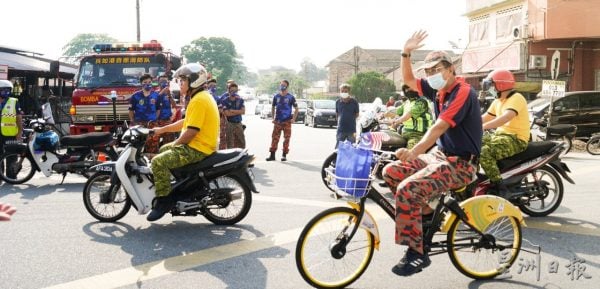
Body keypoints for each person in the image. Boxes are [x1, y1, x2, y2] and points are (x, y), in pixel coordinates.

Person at [382, 31, 482, 276]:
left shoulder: (463, 92)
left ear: (449, 69)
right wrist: (406, 52)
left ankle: (417, 254)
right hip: (441, 157)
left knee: (407, 190)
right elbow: (407, 80)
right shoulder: (439, 91)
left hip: (461, 164)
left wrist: (414, 151)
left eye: (435, 69)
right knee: (391, 172)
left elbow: (438, 127)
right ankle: (426, 216)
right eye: (427, 71)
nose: (431, 75)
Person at [148, 63, 219, 221]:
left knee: (158, 162)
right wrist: (161, 130)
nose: (180, 84)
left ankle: (164, 201)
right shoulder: (200, 97)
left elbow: (191, 131)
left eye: (182, 81)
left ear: (193, 81)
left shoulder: (199, 100)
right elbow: (186, 122)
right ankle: (178, 186)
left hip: (198, 148)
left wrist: (176, 144)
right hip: (200, 144)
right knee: (163, 149)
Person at [480, 69, 530, 195]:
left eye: (491, 85)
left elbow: (505, 118)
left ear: (500, 85)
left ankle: (500, 186)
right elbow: (486, 117)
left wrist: (482, 127)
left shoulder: (516, 98)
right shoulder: (498, 100)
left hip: (516, 139)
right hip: (500, 136)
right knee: (473, 144)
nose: (490, 88)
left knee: (483, 152)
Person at [128, 73, 162, 156]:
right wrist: (133, 122)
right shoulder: (135, 96)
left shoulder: (156, 95)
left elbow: (158, 110)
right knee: (139, 145)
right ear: (141, 83)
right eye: (145, 82)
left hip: (152, 124)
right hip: (139, 124)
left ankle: (152, 162)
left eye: (149, 82)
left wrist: (154, 120)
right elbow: (131, 111)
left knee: (153, 144)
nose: (148, 84)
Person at [391, 85, 433, 149]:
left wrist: (398, 121)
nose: (409, 90)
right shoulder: (407, 103)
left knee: (410, 155)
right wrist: (383, 114)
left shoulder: (421, 102)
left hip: (418, 135)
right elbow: (396, 111)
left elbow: (409, 114)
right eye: (406, 89)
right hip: (404, 133)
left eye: (411, 88)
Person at [266, 80, 298, 161]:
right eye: (281, 85)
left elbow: (297, 108)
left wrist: (293, 119)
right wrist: (272, 118)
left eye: (284, 85)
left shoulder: (291, 97)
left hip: (287, 121)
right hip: (278, 121)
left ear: (287, 86)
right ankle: (272, 155)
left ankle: (284, 155)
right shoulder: (276, 96)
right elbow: (273, 107)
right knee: (274, 138)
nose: (282, 86)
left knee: (286, 138)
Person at [0, 80, 24, 181]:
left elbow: (19, 118)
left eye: (8, 90)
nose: (6, 92)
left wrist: (19, 132)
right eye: (3, 90)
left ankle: (11, 176)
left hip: (11, 133)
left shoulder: (14, 101)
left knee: (12, 155)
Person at [221, 83, 246, 149]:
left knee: (242, 141)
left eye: (235, 91)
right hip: (229, 123)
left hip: (238, 123)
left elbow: (243, 112)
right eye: (232, 91)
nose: (234, 93)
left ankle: (242, 156)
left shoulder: (240, 100)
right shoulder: (225, 101)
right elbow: (227, 114)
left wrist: (232, 110)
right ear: (228, 91)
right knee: (230, 142)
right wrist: (238, 112)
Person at [334, 83, 359, 147]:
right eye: (342, 91)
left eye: (345, 91)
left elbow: (357, 114)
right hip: (341, 130)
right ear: (340, 91)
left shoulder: (354, 102)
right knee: (338, 149)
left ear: (349, 92)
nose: (344, 92)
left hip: (352, 130)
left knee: (352, 148)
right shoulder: (338, 102)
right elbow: (337, 114)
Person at [156, 75, 177, 145]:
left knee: (169, 142)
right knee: (154, 142)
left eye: (165, 81)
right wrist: (162, 92)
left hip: (167, 120)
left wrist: (169, 95)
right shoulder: (155, 93)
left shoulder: (170, 93)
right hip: (157, 121)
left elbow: (174, 105)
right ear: (158, 83)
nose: (164, 83)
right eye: (162, 81)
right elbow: (154, 101)